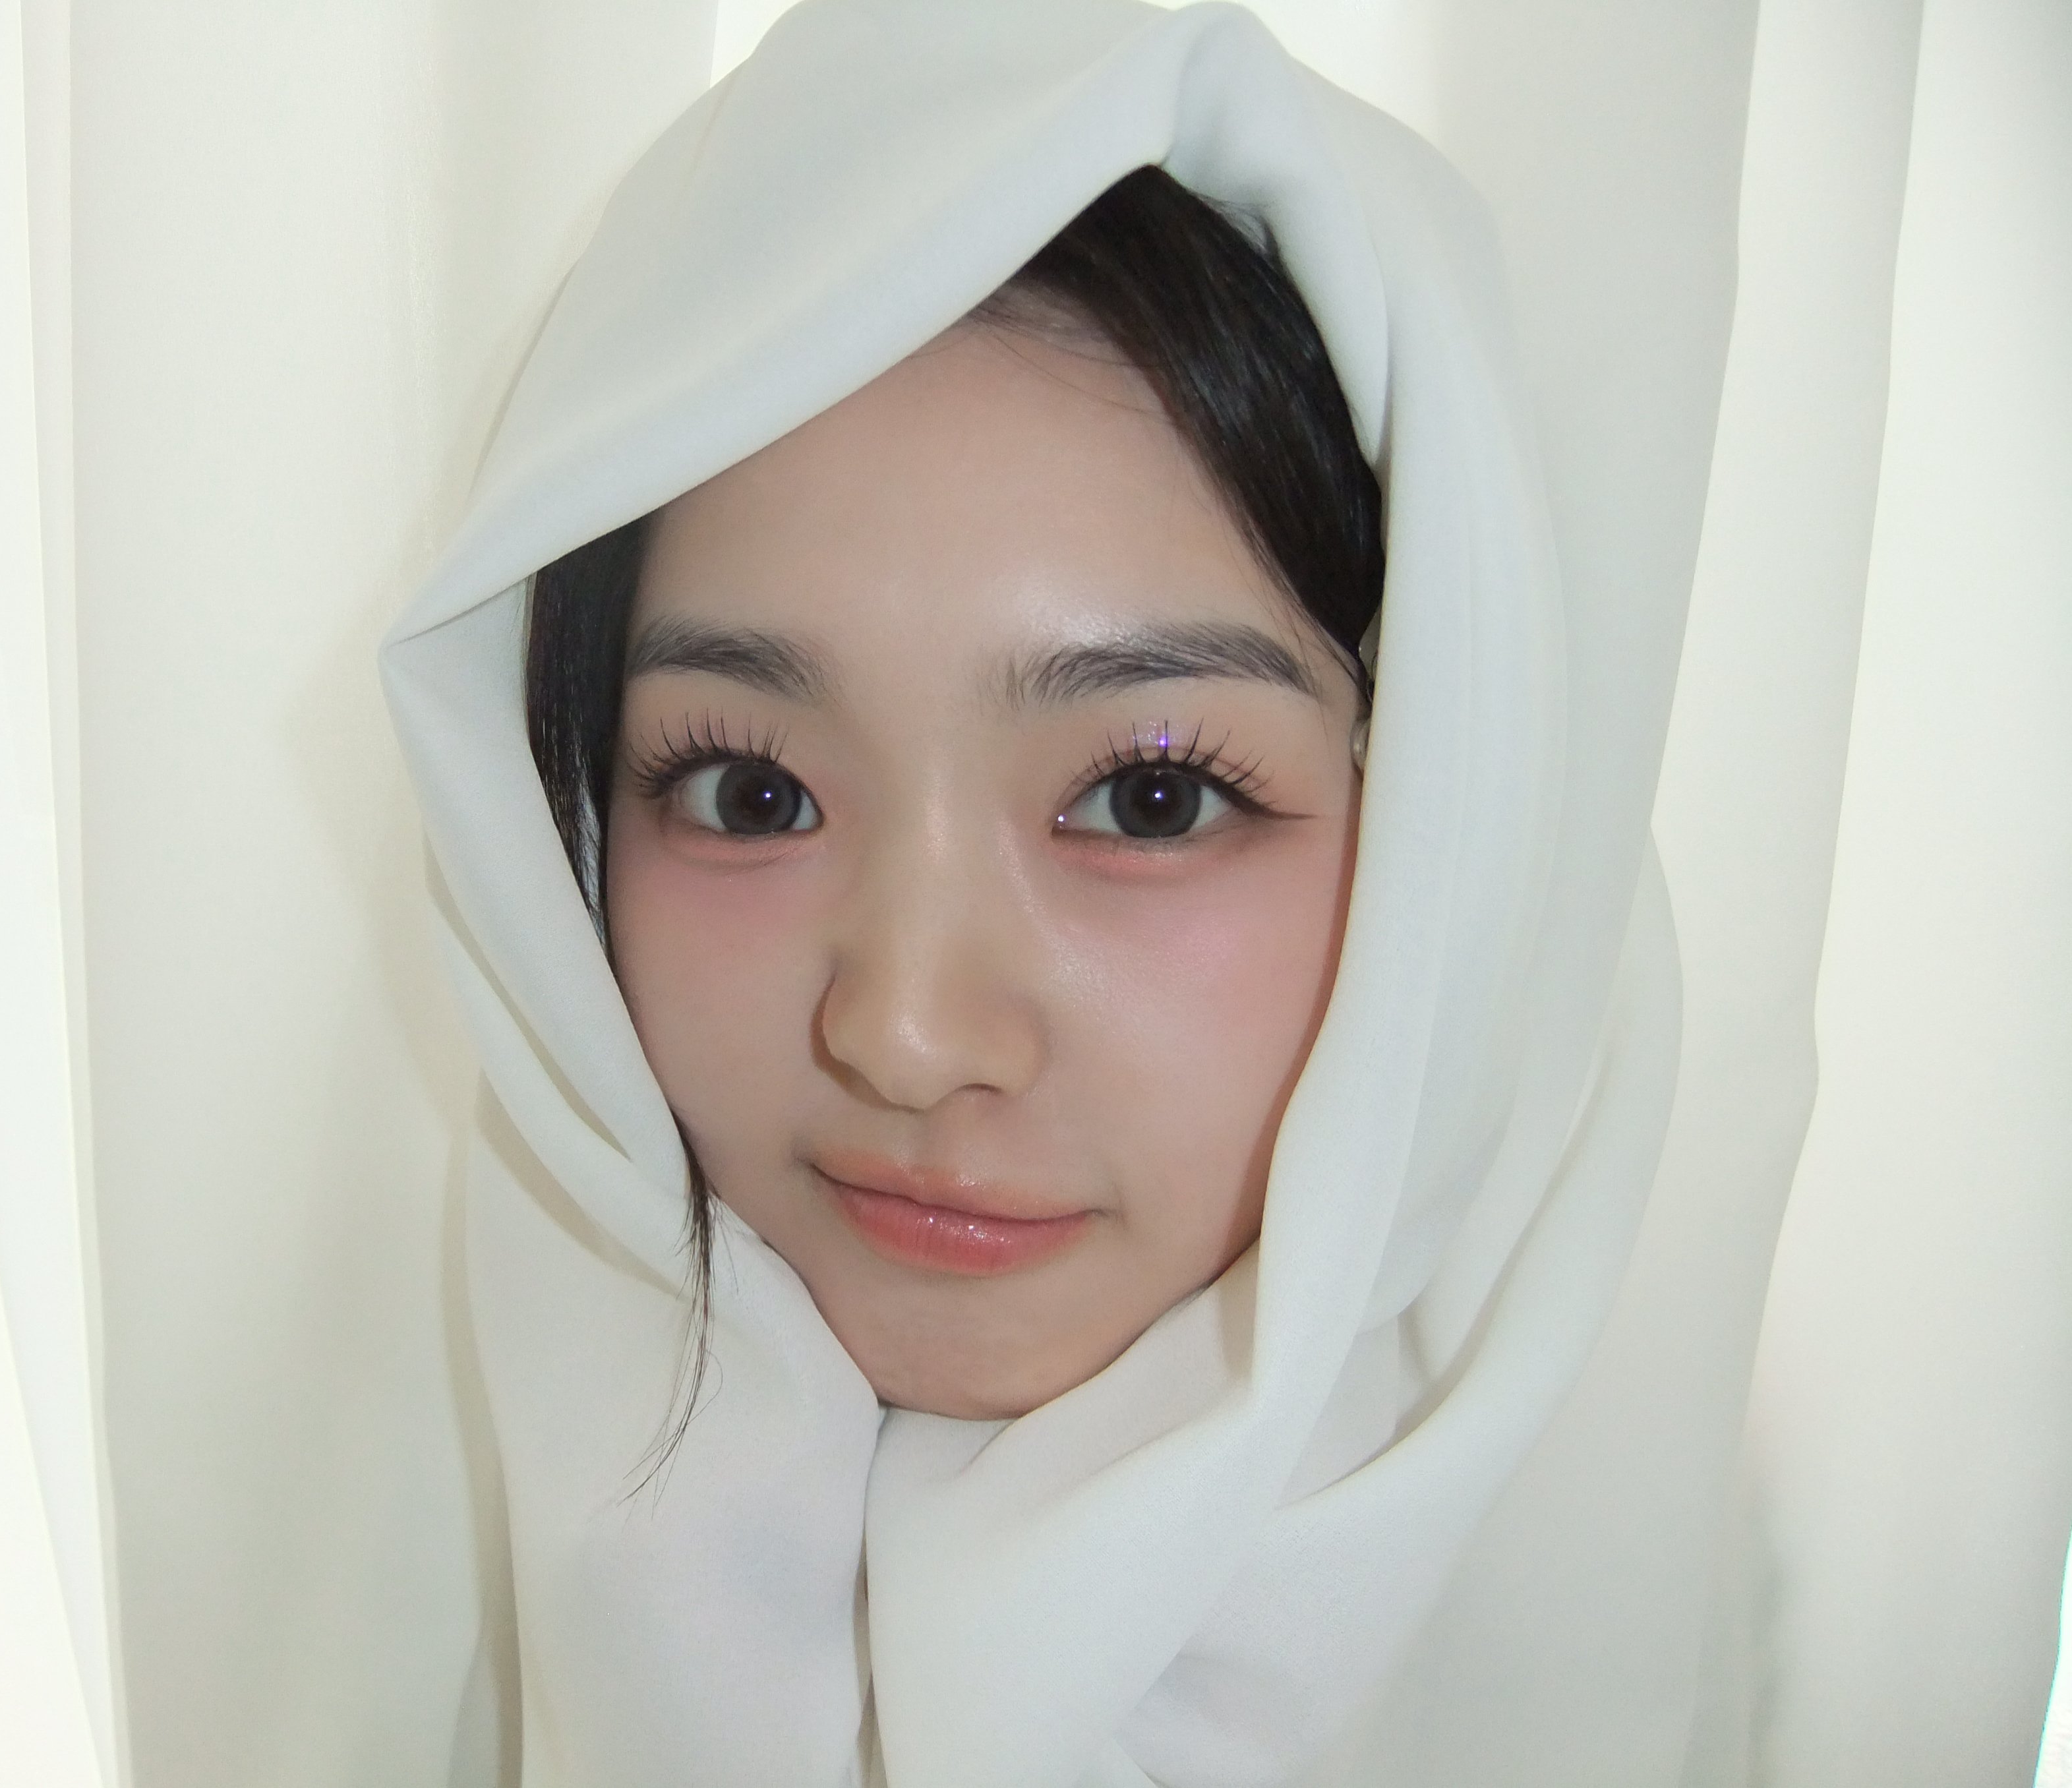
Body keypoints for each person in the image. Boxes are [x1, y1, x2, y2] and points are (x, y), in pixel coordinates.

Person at [382, 1, 1680, 1782]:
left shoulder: (1764, 1633)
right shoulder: (356, 1548)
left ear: (1465, 834)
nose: (909, 1036)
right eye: (752, 792)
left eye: (1152, 799)